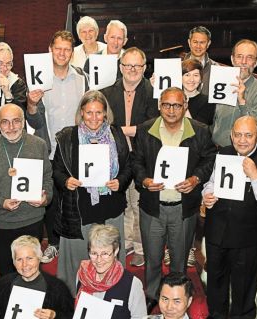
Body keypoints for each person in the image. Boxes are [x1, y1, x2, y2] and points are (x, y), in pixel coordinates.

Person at [202, 116, 257, 319]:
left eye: (248, 135)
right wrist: (206, 195)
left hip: (248, 233)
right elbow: (210, 182)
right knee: (216, 274)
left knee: (245, 278)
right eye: (238, 134)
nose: (242, 140)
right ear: (231, 135)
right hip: (217, 228)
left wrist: (255, 176)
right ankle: (217, 313)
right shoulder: (222, 154)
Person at [133, 87, 215, 304]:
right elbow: (136, 161)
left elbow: (209, 160)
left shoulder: (200, 131)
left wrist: (195, 179)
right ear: (160, 105)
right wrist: (144, 180)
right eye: (167, 105)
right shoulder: (145, 129)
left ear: (185, 106)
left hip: (183, 208)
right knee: (152, 258)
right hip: (152, 207)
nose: (171, 110)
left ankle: (177, 297)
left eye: (177, 105)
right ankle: (152, 295)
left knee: (179, 260)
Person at [52, 90, 131, 296]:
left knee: (109, 256)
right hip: (80, 209)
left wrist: (120, 182)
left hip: (110, 206)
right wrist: (66, 181)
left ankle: (112, 296)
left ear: (106, 113)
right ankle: (75, 298)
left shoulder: (116, 134)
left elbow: (128, 166)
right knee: (79, 260)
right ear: (81, 113)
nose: (94, 118)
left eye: (99, 113)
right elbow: (57, 170)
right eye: (89, 113)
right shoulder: (68, 136)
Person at [26, 30, 88, 264]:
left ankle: (76, 242)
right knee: (50, 199)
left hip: (75, 151)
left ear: (72, 52)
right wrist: (31, 103)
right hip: (48, 149)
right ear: (50, 49)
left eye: (67, 49)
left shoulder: (82, 77)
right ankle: (53, 243)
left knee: (74, 197)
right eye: (58, 48)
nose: (62, 53)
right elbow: (34, 121)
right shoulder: (38, 78)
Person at [101, 47, 159, 268]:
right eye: (128, 65)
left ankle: (141, 247)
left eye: (137, 66)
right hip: (115, 157)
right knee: (121, 203)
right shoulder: (107, 93)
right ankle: (125, 243)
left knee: (138, 204)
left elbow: (152, 126)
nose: (132, 70)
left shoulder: (154, 93)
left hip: (142, 157)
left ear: (144, 68)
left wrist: (123, 130)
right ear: (120, 67)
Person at [0, 103, 53, 276]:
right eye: (5, 122)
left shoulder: (39, 145)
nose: (11, 127)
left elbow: (47, 178)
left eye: (16, 121)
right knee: (7, 272)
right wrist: (1, 203)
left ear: (23, 122)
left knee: (32, 271)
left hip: (32, 218)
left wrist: (45, 198)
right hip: (2, 222)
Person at [211, 39, 257, 148]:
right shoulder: (219, 82)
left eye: (249, 57)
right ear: (232, 59)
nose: (243, 61)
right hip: (216, 148)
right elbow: (212, 118)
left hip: (244, 152)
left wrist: (242, 101)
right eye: (239, 56)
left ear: (256, 62)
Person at [182, 26, 217, 96]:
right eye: (195, 42)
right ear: (189, 42)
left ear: (208, 43)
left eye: (202, 42)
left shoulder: (217, 69)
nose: (198, 46)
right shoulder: (177, 67)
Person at [181, 58, 215, 126]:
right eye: (187, 75)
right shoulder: (172, 99)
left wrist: (184, 106)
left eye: (196, 75)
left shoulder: (208, 102)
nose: (191, 79)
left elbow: (199, 130)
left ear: (200, 79)